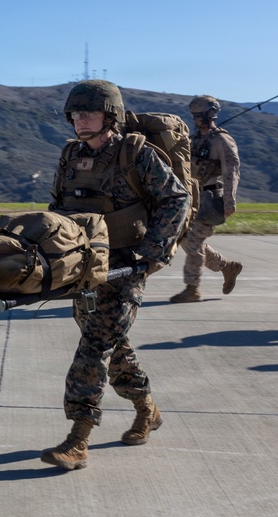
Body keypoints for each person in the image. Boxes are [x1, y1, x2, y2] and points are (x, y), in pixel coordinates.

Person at [42, 80, 189, 471]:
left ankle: (79, 438)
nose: (80, 120)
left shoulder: (136, 153)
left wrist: (154, 251)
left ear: (110, 116)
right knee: (114, 346)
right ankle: (147, 409)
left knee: (94, 346)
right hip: (84, 267)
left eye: (89, 113)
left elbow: (176, 198)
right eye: (75, 114)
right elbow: (58, 208)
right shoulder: (70, 155)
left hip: (126, 266)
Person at [170, 95, 243, 303]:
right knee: (186, 239)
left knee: (193, 242)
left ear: (210, 114)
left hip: (211, 199)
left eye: (199, 115)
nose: (195, 119)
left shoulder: (222, 140)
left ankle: (192, 289)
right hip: (191, 197)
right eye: (193, 115)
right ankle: (226, 267)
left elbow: (231, 171)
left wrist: (229, 200)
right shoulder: (193, 140)